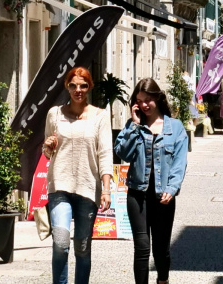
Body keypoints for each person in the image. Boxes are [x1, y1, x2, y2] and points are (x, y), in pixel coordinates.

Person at [42, 67, 113, 284]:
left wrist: (106, 189)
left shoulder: (100, 116)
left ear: (89, 87)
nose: (78, 90)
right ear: (67, 86)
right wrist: (47, 146)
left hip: (88, 186)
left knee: (82, 247)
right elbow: (47, 153)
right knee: (61, 242)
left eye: (83, 85)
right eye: (73, 85)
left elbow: (105, 153)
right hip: (60, 185)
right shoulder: (55, 114)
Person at [114, 78, 189, 284]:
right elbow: (122, 153)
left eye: (148, 100)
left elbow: (179, 162)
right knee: (142, 247)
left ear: (157, 98)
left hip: (163, 196)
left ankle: (162, 280)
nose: (144, 105)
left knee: (161, 249)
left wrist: (172, 188)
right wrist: (135, 126)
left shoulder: (175, 127)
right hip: (137, 195)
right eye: (139, 101)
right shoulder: (133, 126)